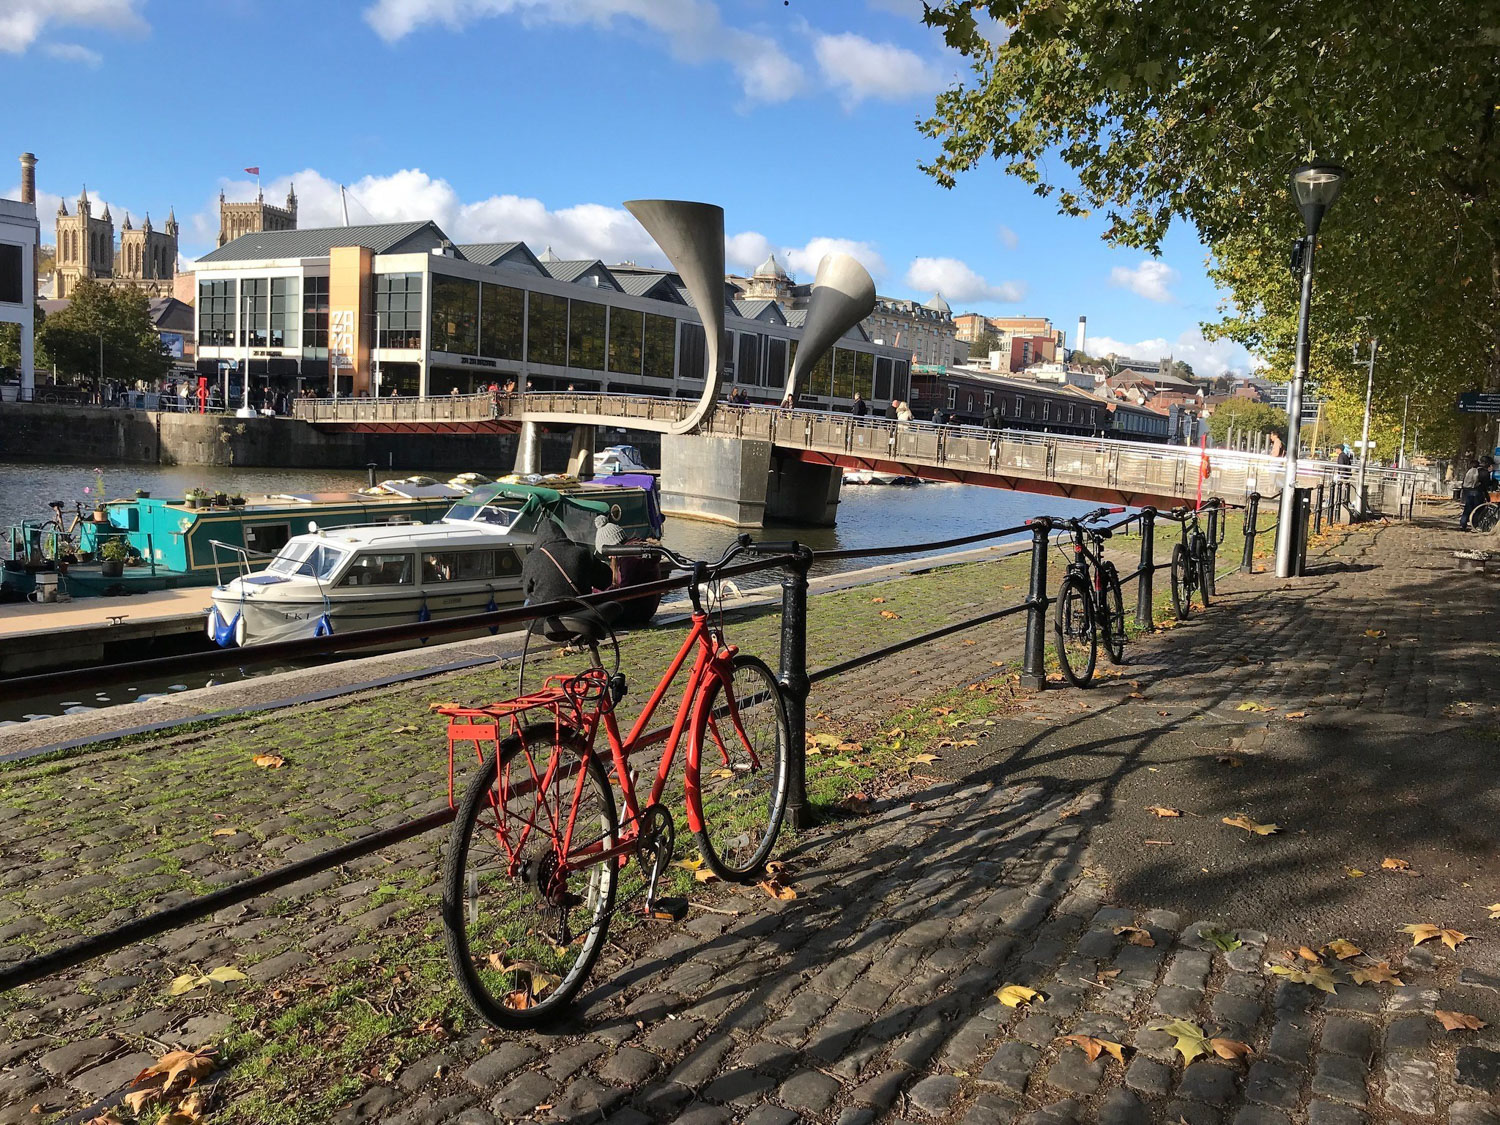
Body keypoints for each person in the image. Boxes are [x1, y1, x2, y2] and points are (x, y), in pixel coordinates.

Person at [521, 518, 614, 607]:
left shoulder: (531, 558)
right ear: (562, 534)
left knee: (527, 602)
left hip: (545, 616)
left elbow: (527, 591)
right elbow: (605, 580)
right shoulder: (582, 553)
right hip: (580, 612)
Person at [1459, 456, 1495, 531]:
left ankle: (1463, 524)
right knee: (1478, 510)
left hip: (1468, 492)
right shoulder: (1484, 472)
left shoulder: (1474, 469)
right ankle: (1475, 526)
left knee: (1468, 509)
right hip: (1477, 493)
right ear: (1487, 464)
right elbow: (1486, 485)